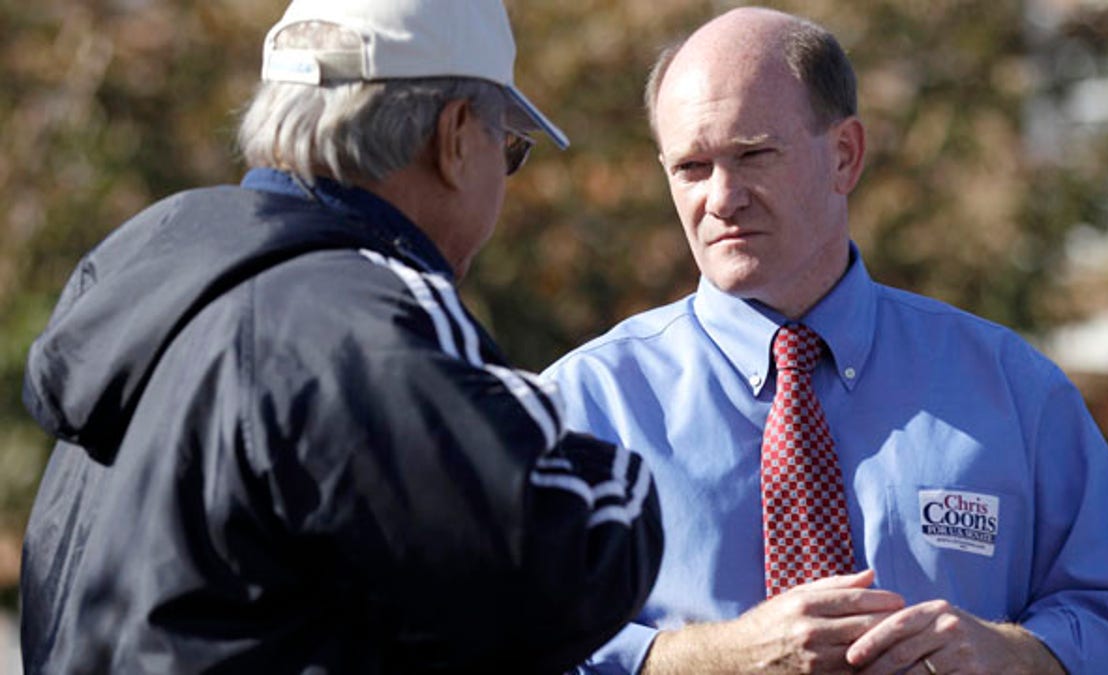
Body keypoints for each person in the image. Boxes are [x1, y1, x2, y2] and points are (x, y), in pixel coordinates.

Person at [19, 0, 663, 672]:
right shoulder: (363, 312)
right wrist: (606, 459)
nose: (503, 179)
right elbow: (566, 560)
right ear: (456, 134)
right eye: (509, 149)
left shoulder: (166, 282)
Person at [544, 7, 1108, 675]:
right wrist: (707, 659)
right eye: (692, 167)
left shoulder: (1011, 390)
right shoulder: (584, 409)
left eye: (753, 154)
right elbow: (500, 641)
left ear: (845, 155)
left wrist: (1014, 654)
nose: (721, 198)